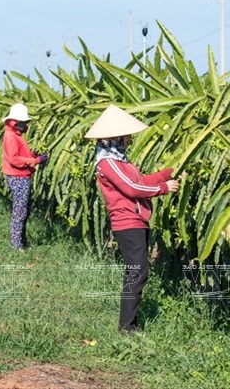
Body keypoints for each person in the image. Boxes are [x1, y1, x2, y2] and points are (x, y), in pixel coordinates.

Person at [84, 104, 179, 333]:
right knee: (137, 271)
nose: (129, 139)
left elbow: (142, 181)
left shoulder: (120, 160)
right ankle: (127, 326)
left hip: (137, 220)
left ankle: (128, 324)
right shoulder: (107, 162)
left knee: (136, 271)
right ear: (115, 136)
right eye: (126, 135)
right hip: (127, 222)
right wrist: (164, 188)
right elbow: (132, 189)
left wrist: (167, 173)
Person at [1, 103, 48, 250]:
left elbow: (18, 155)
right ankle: (16, 245)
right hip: (18, 177)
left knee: (23, 209)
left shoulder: (15, 135)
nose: (25, 124)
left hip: (21, 176)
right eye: (23, 122)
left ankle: (21, 241)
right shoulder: (10, 136)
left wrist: (32, 155)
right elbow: (14, 159)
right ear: (15, 122)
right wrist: (35, 161)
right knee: (19, 211)